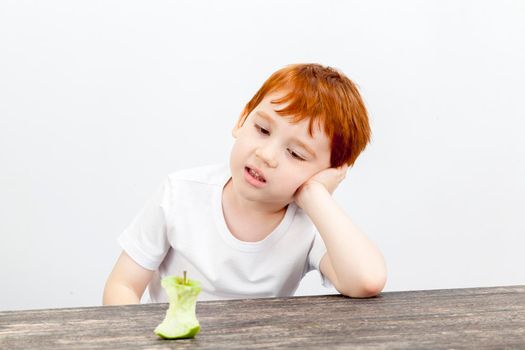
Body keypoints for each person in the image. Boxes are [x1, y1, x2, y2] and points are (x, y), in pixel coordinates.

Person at [103, 63, 387, 305]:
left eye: (296, 154)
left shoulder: (309, 226)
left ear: (326, 172)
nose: (266, 155)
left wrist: (316, 195)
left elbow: (367, 280)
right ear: (242, 119)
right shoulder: (180, 194)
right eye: (262, 130)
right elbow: (122, 286)